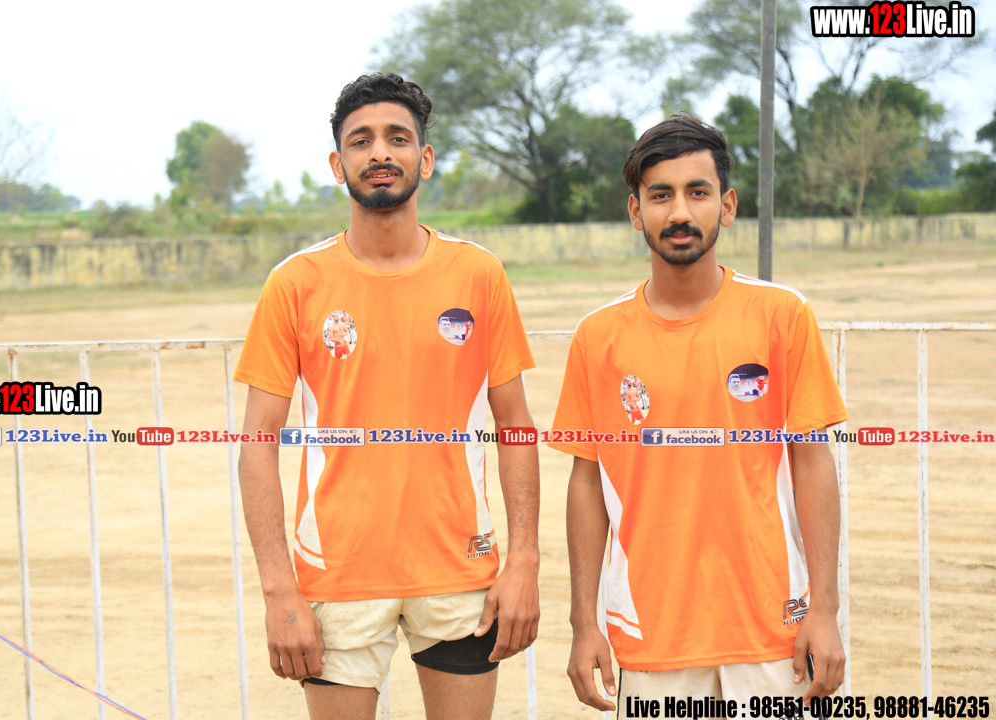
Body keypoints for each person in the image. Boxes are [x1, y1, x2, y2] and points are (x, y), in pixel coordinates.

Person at [234, 73, 540, 720]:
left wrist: (524, 562)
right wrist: (278, 591)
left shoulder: (478, 274)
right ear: (337, 163)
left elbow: (516, 426)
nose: (380, 152)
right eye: (361, 140)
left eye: (397, 138)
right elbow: (256, 446)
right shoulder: (296, 283)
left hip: (458, 570)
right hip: (337, 573)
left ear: (424, 159)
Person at [550, 114, 848, 710]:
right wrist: (585, 623)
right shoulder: (598, 336)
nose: (679, 212)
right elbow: (587, 479)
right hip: (652, 631)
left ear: (727, 206)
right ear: (636, 211)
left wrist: (824, 609)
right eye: (660, 195)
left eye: (698, 192)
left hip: (773, 630)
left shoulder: (781, 316)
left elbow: (813, 463)